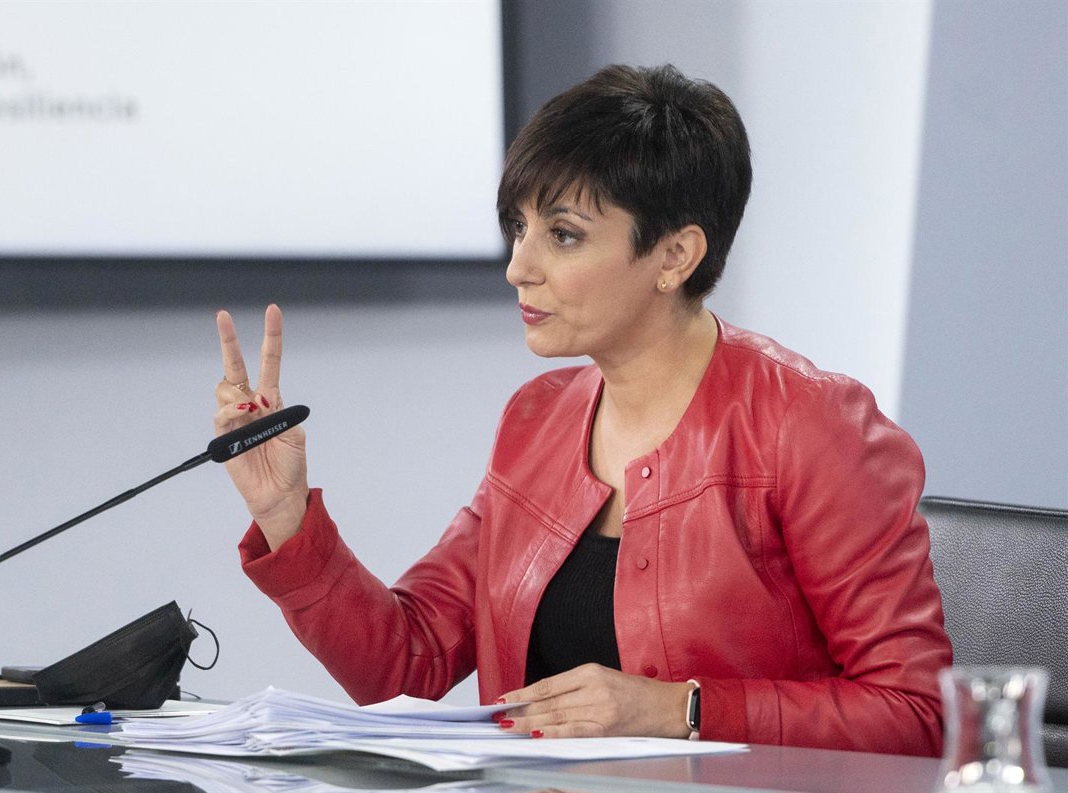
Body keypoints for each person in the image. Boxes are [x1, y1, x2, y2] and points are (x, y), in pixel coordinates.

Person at [212, 64, 951, 756]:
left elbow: (920, 713)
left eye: (563, 235)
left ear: (675, 256)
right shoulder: (536, 420)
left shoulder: (811, 425)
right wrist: (286, 517)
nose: (518, 267)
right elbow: (408, 661)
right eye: (519, 227)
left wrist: (682, 710)